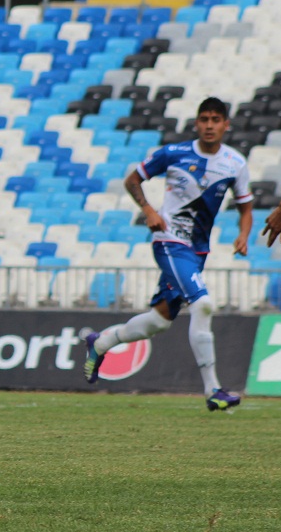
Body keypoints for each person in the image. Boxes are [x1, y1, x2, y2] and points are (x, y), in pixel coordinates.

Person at [84, 98, 251, 412]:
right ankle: (213, 390)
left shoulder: (235, 163)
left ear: (226, 124)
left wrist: (243, 235)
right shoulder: (173, 154)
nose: (210, 125)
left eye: (216, 119)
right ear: (196, 123)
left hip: (198, 250)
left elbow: (245, 207)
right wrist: (148, 210)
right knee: (203, 303)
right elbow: (132, 179)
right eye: (204, 119)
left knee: (158, 322)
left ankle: (102, 341)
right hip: (170, 242)